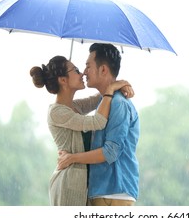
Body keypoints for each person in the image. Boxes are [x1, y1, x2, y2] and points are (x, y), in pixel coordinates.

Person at [30, 55, 133, 206]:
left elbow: (99, 98)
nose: (82, 74)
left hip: (82, 185)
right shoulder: (56, 112)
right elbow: (98, 121)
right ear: (63, 80)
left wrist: (118, 84)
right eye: (76, 70)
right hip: (68, 185)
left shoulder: (74, 107)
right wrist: (111, 88)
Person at [57, 43, 140, 206]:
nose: (84, 72)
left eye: (88, 66)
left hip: (114, 193)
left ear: (103, 70)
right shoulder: (105, 101)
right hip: (103, 191)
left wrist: (72, 158)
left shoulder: (118, 104)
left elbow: (111, 152)